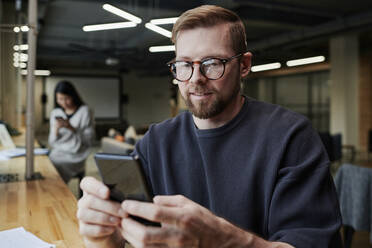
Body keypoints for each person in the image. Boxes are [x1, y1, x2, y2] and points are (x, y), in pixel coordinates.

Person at [77, 5, 342, 248]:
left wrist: (225, 240)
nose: (196, 79)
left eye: (212, 63)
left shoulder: (291, 137)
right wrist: (101, 236)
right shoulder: (156, 141)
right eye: (184, 65)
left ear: (245, 65)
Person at [48, 80, 94, 183]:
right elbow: (52, 142)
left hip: (77, 154)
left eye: (67, 98)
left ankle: (61, 192)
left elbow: (89, 140)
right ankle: (55, 192)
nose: (64, 103)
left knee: (57, 166)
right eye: (60, 99)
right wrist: (56, 129)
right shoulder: (55, 112)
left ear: (73, 96)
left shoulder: (84, 111)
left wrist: (71, 128)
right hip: (59, 151)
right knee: (47, 164)